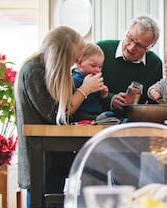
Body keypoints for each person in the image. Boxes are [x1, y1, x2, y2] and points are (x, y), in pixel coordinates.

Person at [16, 26, 105, 195]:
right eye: (72, 58)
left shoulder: (55, 72)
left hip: (55, 158)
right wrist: (84, 90)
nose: (73, 64)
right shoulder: (34, 70)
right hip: (41, 159)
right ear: (61, 54)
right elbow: (55, 113)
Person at [97, 15, 163, 117]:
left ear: (150, 47)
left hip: (134, 123)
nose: (132, 47)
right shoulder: (102, 49)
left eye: (140, 45)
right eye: (130, 39)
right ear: (126, 32)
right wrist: (110, 98)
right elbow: (82, 84)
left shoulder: (154, 64)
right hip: (97, 120)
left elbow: (154, 102)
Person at [71, 42, 112, 121]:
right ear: (79, 63)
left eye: (100, 67)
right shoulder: (75, 79)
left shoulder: (94, 79)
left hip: (97, 113)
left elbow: (98, 101)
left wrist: (103, 95)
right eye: (93, 66)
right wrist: (89, 89)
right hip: (82, 115)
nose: (97, 70)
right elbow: (76, 101)